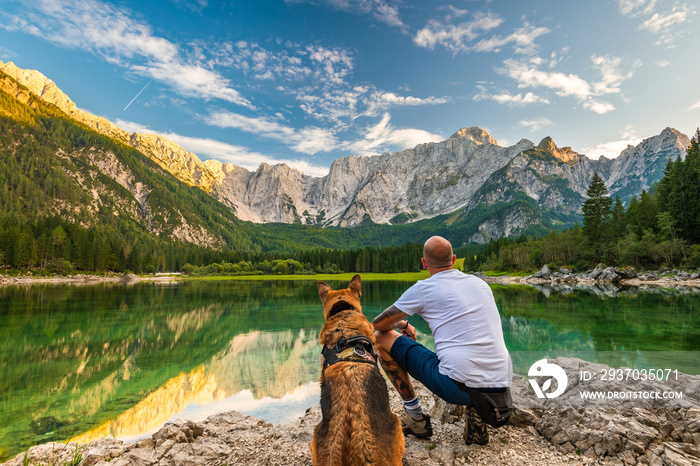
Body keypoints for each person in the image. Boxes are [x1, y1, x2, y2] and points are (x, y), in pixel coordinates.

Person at [372, 236, 512, 445]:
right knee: (462, 356)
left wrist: (402, 325)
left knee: (380, 339)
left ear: (424, 263)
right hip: (501, 386)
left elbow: (379, 325)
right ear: (454, 259)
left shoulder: (424, 288)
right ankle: (478, 411)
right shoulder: (480, 284)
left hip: (457, 388)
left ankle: (416, 418)